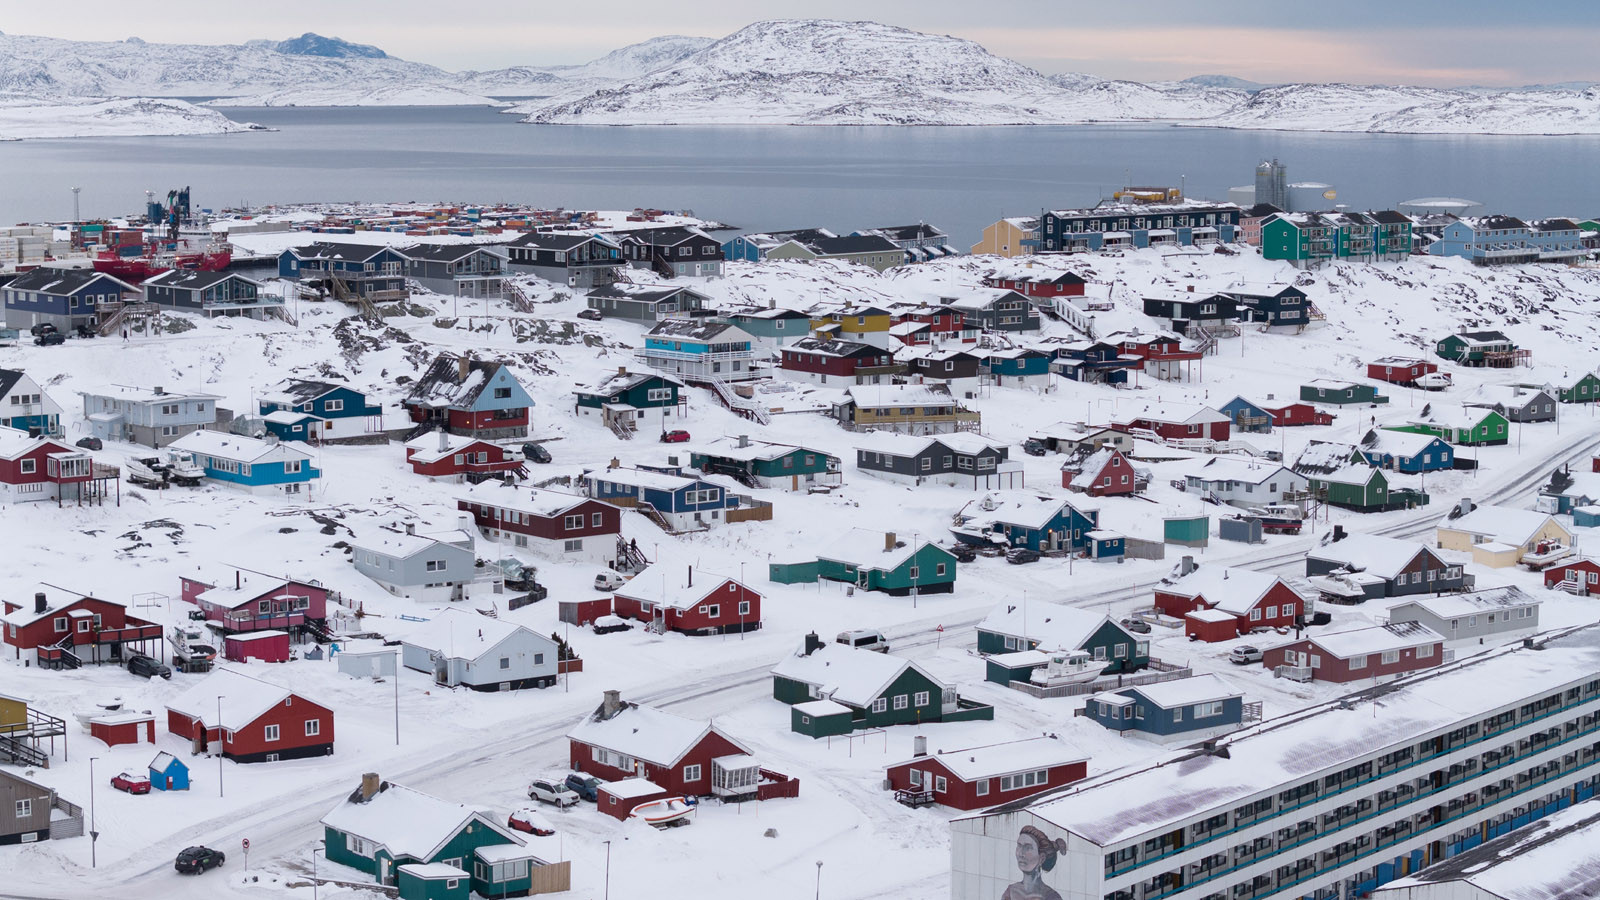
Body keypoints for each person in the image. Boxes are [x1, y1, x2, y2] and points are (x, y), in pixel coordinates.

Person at [1001, 826, 1066, 900]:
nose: (1021, 853)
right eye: (1019, 846)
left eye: (1028, 848)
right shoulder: (1011, 892)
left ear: (1042, 858)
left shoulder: (1052, 897)